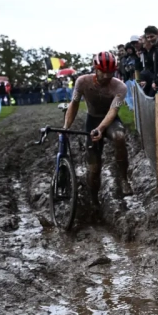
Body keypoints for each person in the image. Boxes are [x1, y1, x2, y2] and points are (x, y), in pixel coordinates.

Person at [63, 52, 132, 205]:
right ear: (95, 69)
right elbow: (73, 105)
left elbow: (113, 111)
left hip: (110, 120)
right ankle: (94, 200)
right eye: (103, 71)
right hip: (92, 119)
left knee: (119, 136)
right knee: (94, 167)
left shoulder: (120, 86)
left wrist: (100, 129)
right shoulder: (82, 82)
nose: (107, 75)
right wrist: (66, 127)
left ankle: (123, 178)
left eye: (111, 72)